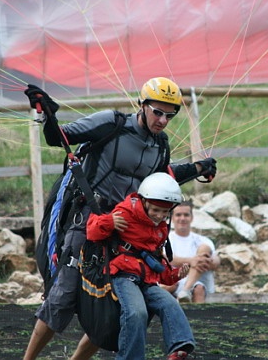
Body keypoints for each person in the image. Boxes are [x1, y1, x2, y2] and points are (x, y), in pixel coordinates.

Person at [22, 77, 217, 360]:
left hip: (127, 230)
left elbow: (161, 178)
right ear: (142, 105)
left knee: (111, 311)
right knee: (63, 294)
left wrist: (198, 168)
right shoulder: (110, 123)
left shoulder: (160, 145)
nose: (163, 121)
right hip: (88, 221)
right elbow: (58, 137)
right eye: (157, 112)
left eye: (169, 115)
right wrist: (48, 113)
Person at [87, 172, 196, 360]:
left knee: (170, 303)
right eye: (156, 210)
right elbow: (92, 231)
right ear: (144, 201)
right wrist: (109, 222)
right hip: (122, 276)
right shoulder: (125, 212)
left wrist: (175, 274)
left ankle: (180, 346)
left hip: (146, 280)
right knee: (137, 312)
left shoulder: (160, 227)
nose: (160, 216)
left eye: (165, 212)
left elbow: (157, 263)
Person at [165, 200, 220, 303]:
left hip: (199, 285)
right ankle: (184, 292)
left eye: (186, 215)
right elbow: (165, 258)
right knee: (169, 285)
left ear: (192, 217)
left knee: (204, 249)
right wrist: (191, 261)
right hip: (173, 282)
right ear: (172, 218)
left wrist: (207, 261)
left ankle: (186, 290)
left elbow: (216, 260)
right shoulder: (166, 239)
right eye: (178, 215)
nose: (182, 218)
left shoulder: (203, 240)